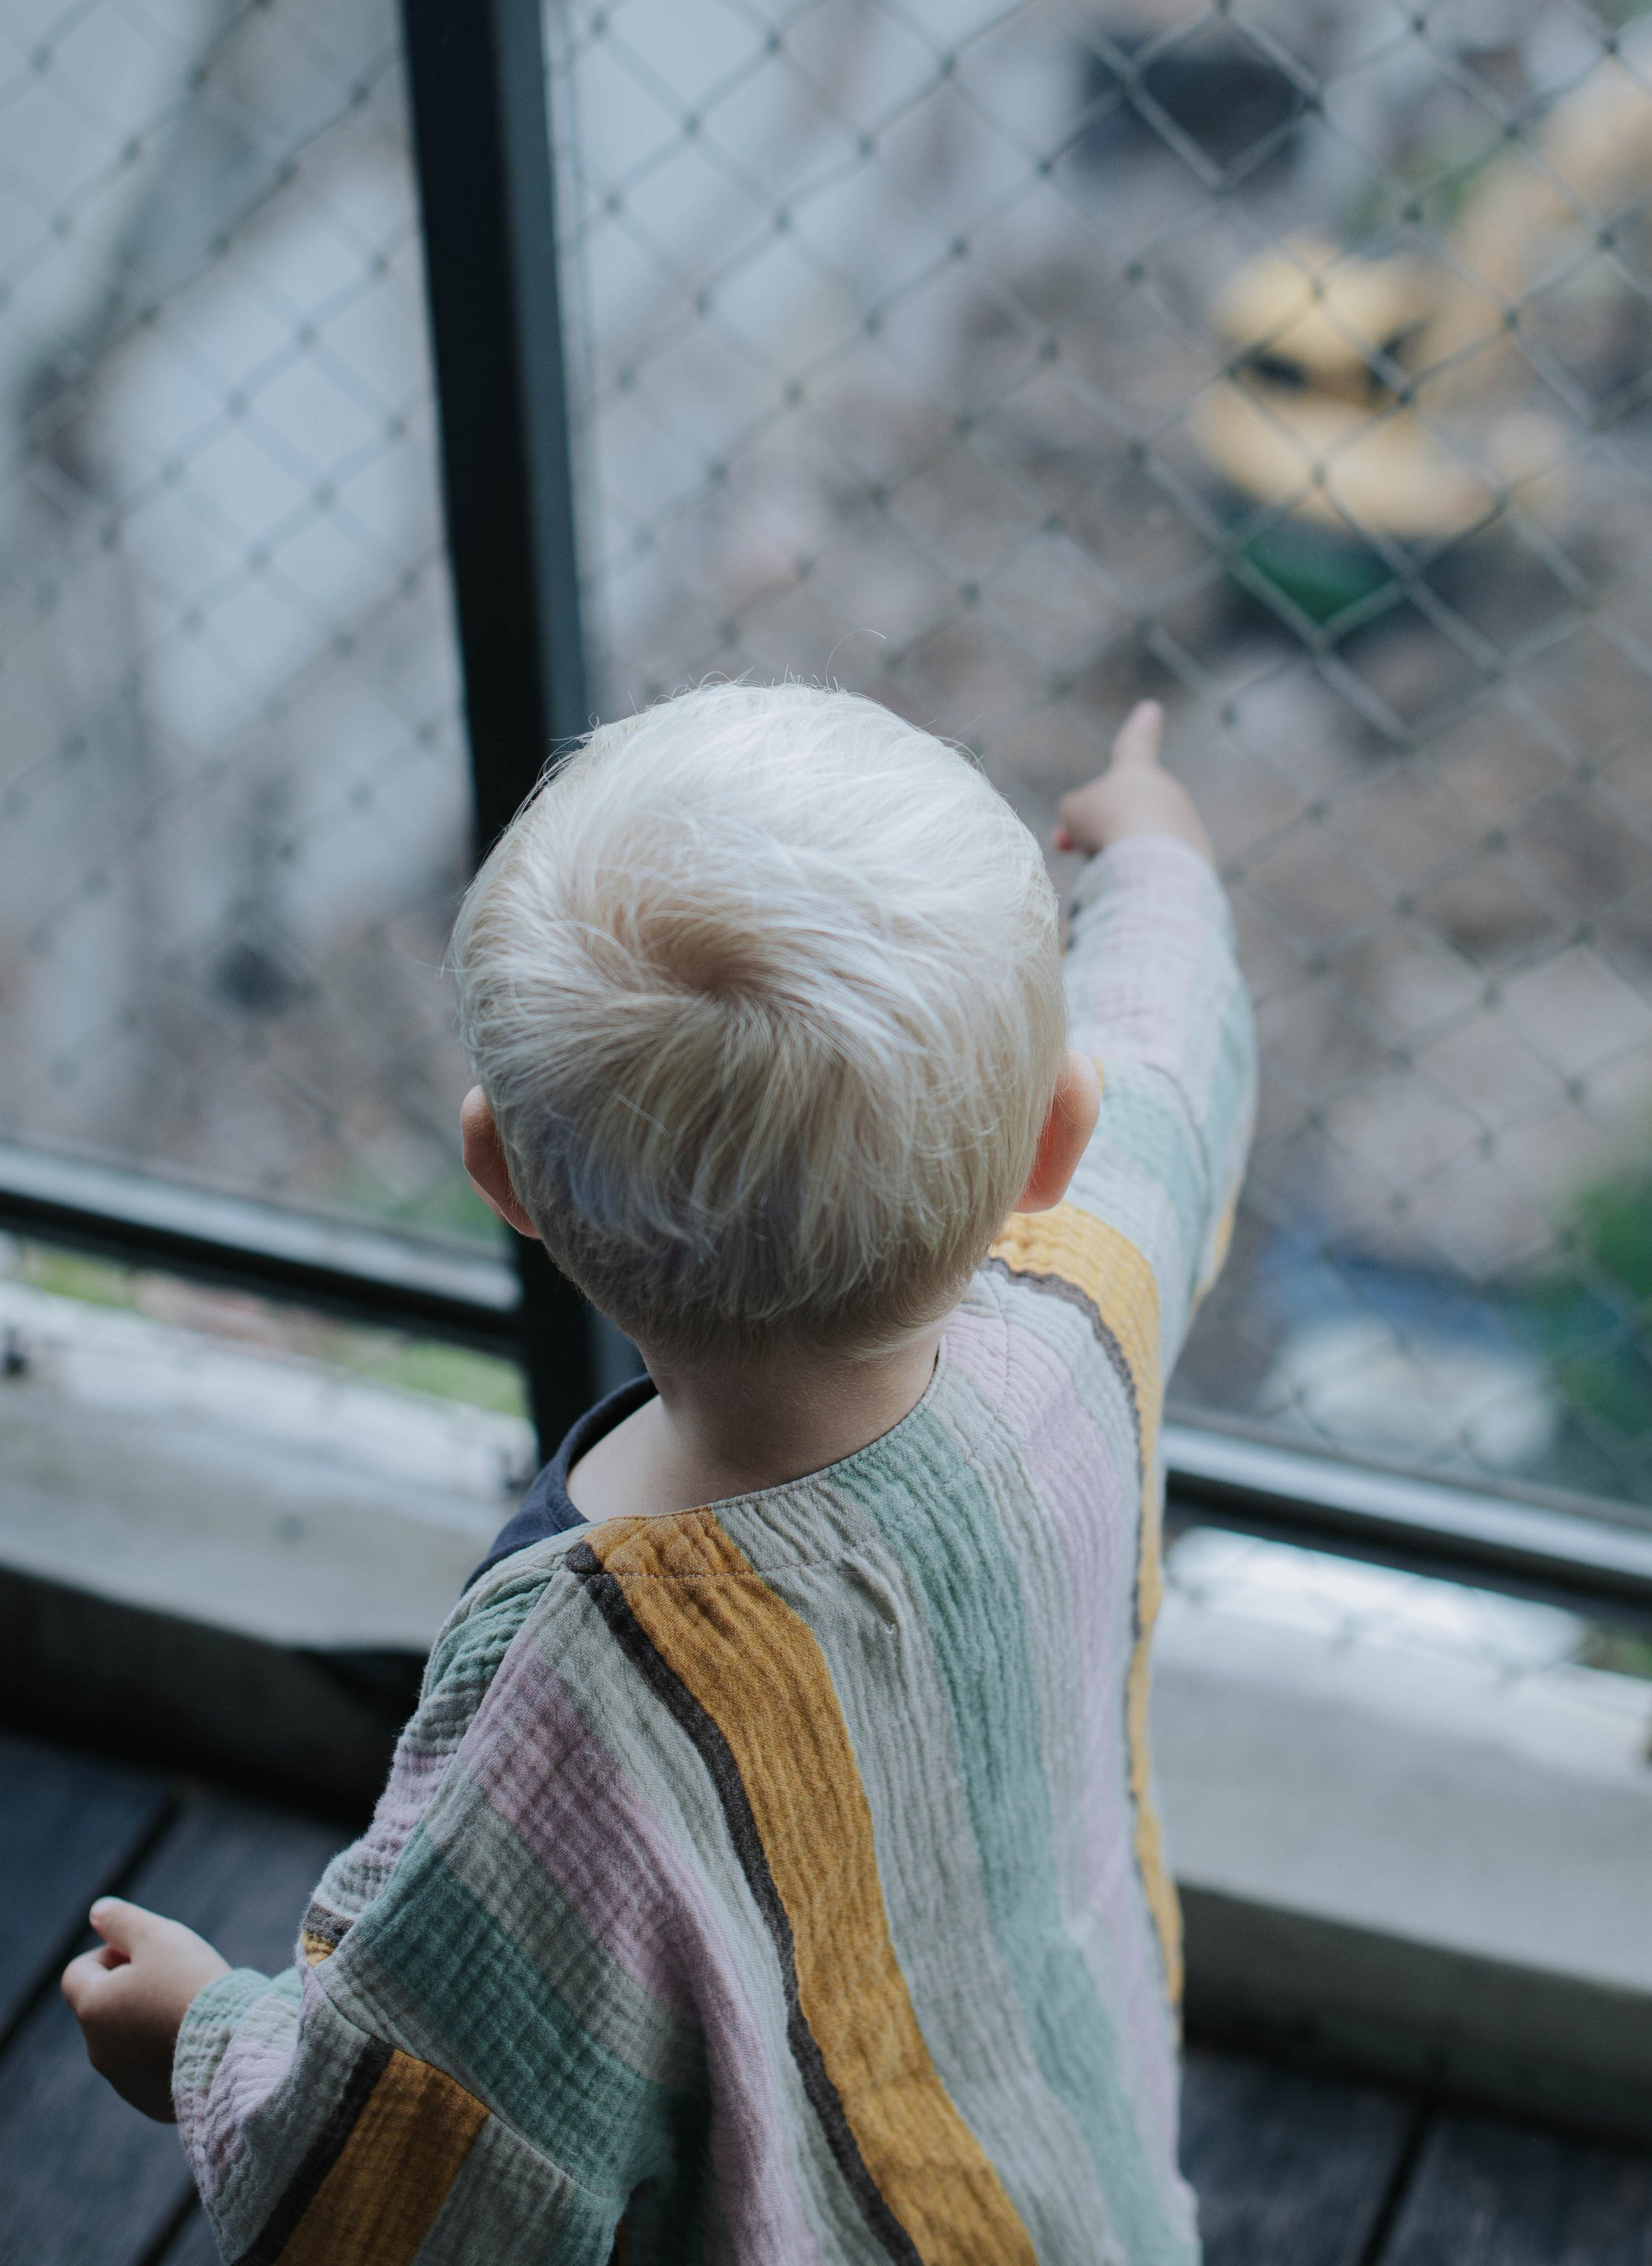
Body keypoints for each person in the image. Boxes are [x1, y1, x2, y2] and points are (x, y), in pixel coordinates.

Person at [63, 681, 1256, 2265]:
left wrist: (206, 2044)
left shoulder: (585, 1695)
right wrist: (1157, 861)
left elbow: (424, 2155)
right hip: (1077, 2179)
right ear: (1051, 1140)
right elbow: (1164, 1068)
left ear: (505, 1178)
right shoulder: (1074, 1313)